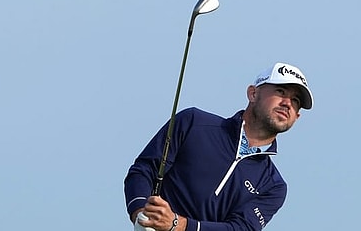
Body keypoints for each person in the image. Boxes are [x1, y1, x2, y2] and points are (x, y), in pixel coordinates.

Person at [124, 62, 314, 231]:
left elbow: (240, 228)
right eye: (280, 91)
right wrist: (141, 215)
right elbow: (144, 170)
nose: (287, 103)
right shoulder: (193, 122)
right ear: (253, 93)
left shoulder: (273, 186)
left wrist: (178, 225)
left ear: (297, 116)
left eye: (296, 101)